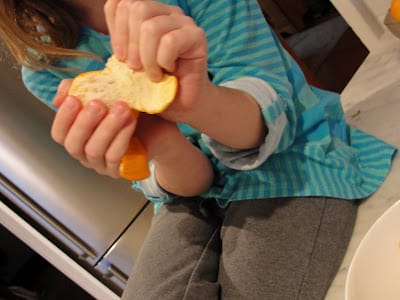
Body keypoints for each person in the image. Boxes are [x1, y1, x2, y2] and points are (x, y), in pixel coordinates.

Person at [0, 0, 396, 299]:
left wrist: (195, 101)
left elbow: (268, 108)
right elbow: (189, 182)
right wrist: (161, 143)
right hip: (191, 194)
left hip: (292, 154)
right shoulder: (45, 64)